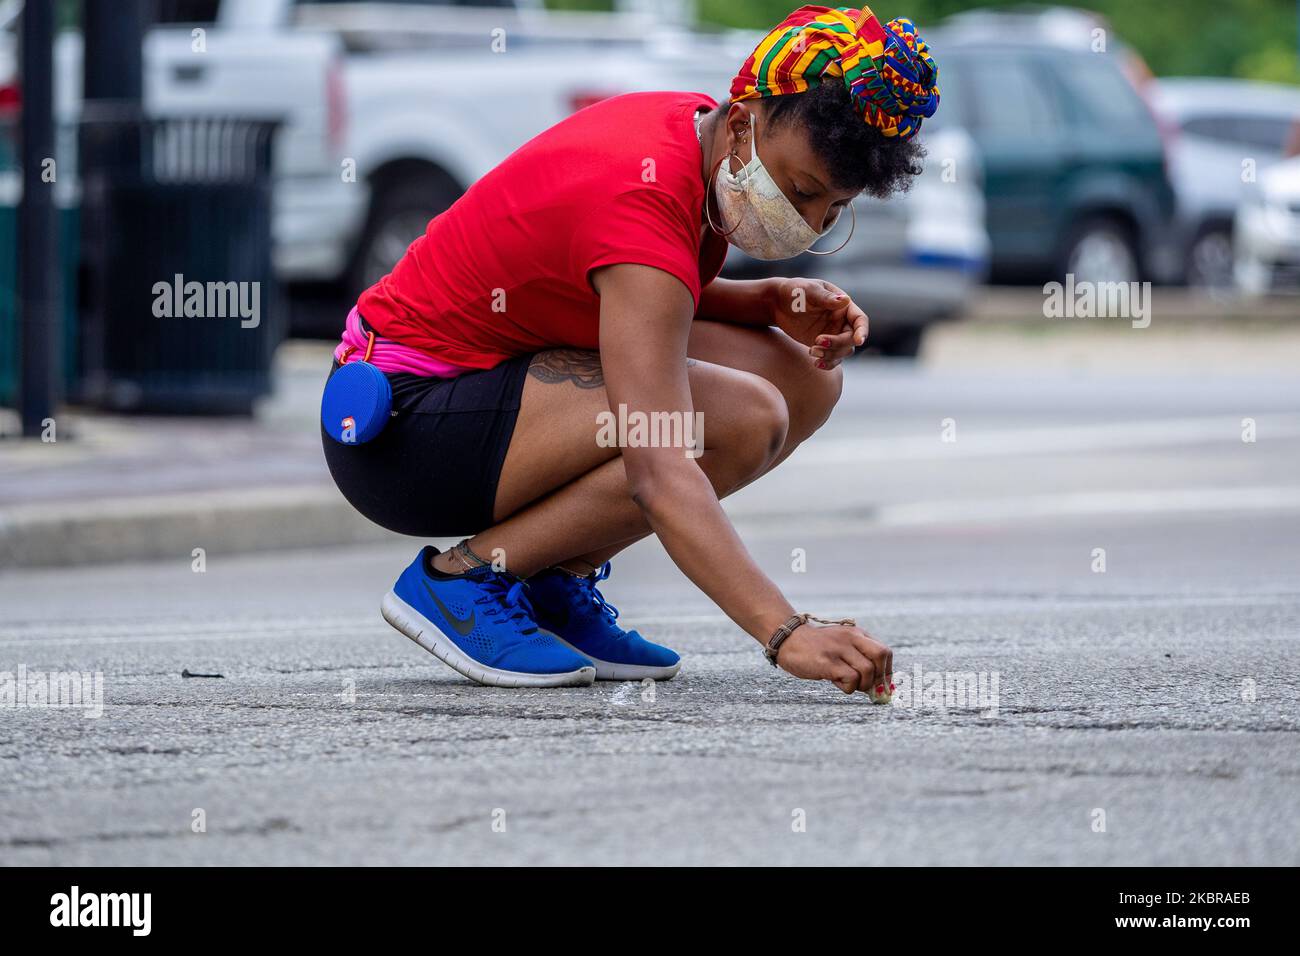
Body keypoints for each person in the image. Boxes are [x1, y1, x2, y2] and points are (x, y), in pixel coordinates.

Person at [322, 4, 940, 693]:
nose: (808, 222)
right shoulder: (642, 194)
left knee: (804, 379)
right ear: (743, 122)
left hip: (488, 385)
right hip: (403, 433)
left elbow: (610, 290)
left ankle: (550, 583)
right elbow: (658, 463)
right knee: (738, 416)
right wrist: (785, 630)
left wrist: (761, 300)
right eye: (801, 191)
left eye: (832, 209)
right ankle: (463, 581)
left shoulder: (693, 130)